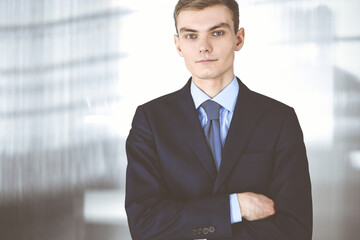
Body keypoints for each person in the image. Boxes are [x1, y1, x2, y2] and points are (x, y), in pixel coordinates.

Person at [125, 0, 312, 239]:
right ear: (178, 45)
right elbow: (144, 224)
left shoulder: (279, 119)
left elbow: (296, 229)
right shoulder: (150, 120)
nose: (204, 47)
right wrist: (234, 207)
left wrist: (187, 224)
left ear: (238, 39)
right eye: (191, 36)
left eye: (217, 32)